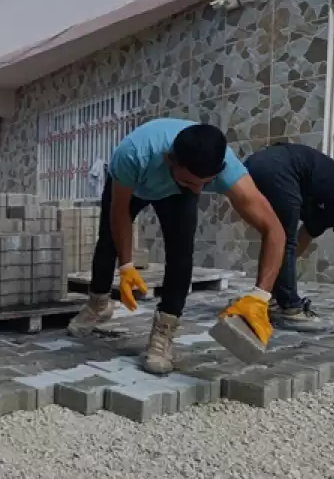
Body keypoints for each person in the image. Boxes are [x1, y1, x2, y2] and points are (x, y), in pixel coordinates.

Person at [66, 118, 286, 375]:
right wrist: (126, 265)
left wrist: (260, 297)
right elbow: (119, 214)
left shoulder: (224, 171)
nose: (199, 190)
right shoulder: (134, 154)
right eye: (192, 181)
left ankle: (163, 334)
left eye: (205, 183)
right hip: (136, 184)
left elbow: (275, 230)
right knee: (108, 242)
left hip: (175, 193)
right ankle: (98, 304)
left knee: (181, 254)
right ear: (171, 160)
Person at [244, 142, 334, 332]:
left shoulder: (329, 210)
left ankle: (269, 297)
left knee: (280, 238)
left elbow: (302, 240)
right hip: (279, 169)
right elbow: (288, 245)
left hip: (259, 164)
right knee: (282, 237)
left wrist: (279, 273)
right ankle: (289, 308)